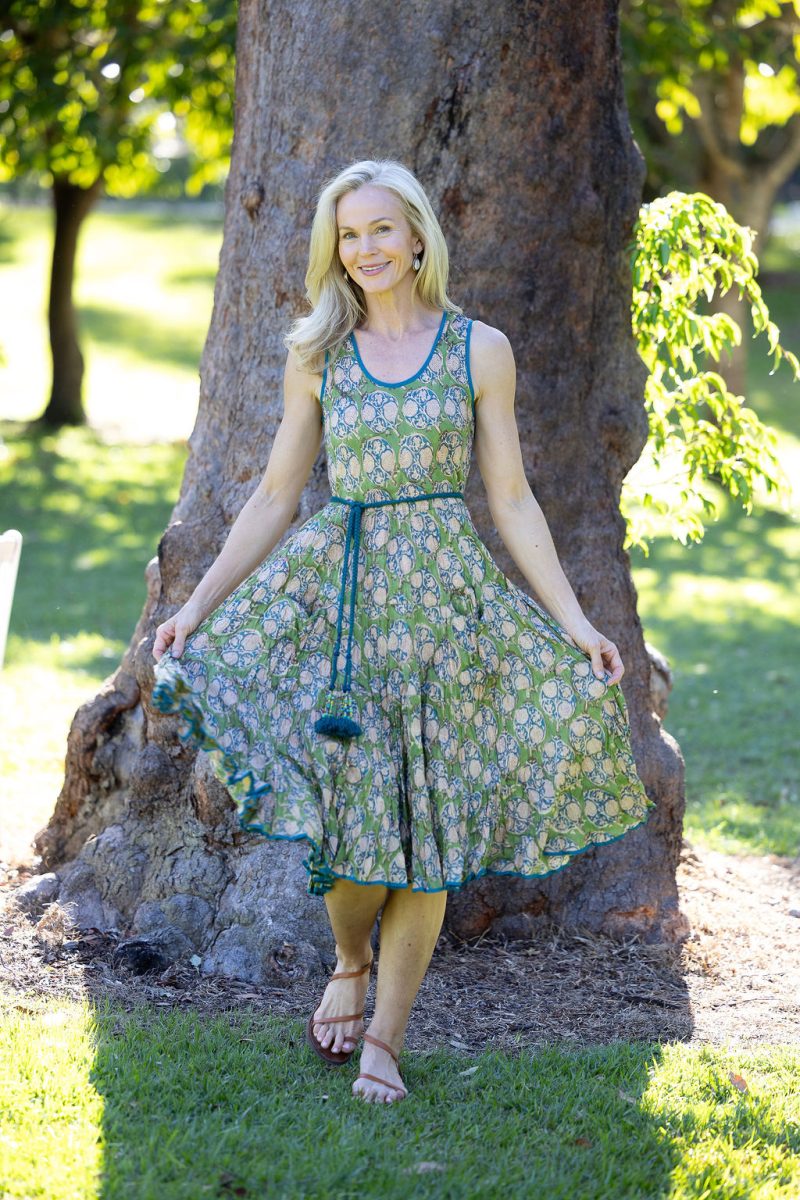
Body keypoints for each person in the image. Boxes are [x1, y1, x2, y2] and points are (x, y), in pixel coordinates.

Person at [151, 157, 656, 1106]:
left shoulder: (479, 350)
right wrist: (195, 606)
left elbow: (512, 499)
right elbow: (275, 494)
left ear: (418, 237)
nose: (366, 248)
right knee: (350, 832)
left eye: (382, 228)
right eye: (349, 235)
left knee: (428, 835)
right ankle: (350, 959)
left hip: (443, 612)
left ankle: (385, 1040)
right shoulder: (319, 353)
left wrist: (576, 621)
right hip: (340, 608)